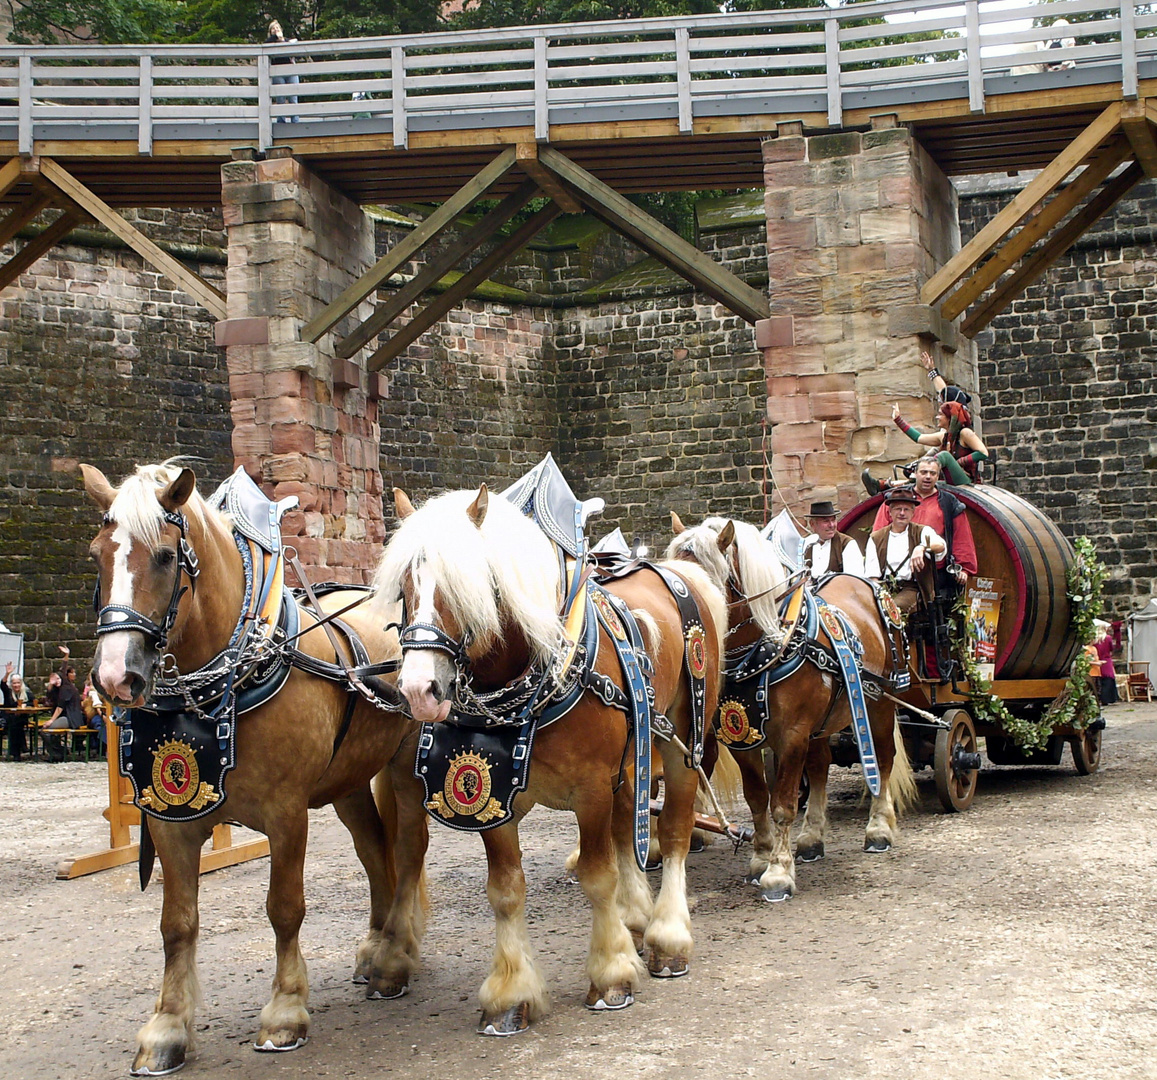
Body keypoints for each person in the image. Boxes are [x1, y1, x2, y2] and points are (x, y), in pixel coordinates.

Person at [870, 457, 978, 585]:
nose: (928, 477)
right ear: (915, 474)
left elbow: (961, 537)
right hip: (897, 571)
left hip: (934, 571)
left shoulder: (949, 502)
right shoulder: (897, 499)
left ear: (938, 476)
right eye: (923, 472)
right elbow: (879, 535)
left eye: (933, 473)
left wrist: (964, 568)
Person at [864, 487, 946, 613]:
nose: (902, 513)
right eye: (898, 509)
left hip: (912, 588)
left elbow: (940, 546)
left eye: (906, 509)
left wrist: (922, 548)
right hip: (884, 588)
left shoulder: (922, 531)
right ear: (890, 512)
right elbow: (872, 577)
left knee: (893, 609)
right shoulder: (876, 538)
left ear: (913, 513)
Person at [890, 397, 989, 486]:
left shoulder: (965, 433)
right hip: (946, 478)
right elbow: (918, 438)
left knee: (944, 456)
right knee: (911, 467)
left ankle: (910, 481)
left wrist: (957, 463)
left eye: (941, 414)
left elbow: (983, 453)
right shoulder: (944, 436)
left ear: (950, 418)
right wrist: (898, 420)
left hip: (965, 479)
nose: (937, 417)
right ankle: (891, 484)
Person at [800, 500, 865, 578]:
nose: (831, 525)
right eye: (826, 521)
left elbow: (854, 580)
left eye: (833, 520)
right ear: (812, 524)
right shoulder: (806, 544)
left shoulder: (846, 544)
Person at [44, 646, 84, 762]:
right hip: (64, 716)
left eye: (57, 679)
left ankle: (59, 753)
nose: (56, 681)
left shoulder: (66, 688)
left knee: (48, 730)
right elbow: (49, 697)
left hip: (71, 717)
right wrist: (51, 685)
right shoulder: (57, 688)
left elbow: (60, 707)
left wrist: (51, 720)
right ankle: (59, 752)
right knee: (45, 731)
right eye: (54, 680)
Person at [267, 20, 299, 124]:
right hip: (277, 71)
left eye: (277, 28)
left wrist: (282, 40)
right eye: (273, 28)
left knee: (293, 98)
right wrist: (276, 38)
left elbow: (295, 44)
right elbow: (265, 45)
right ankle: (281, 121)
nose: (276, 30)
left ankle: (295, 121)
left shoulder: (287, 41)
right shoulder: (270, 42)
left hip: (290, 70)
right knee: (280, 98)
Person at [1, 661, 30, 761]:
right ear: (11, 684)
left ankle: (19, 750)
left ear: (21, 683)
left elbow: (33, 701)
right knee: (14, 725)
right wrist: (7, 673)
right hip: (8, 717)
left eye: (18, 683)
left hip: (21, 717)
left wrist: (25, 706)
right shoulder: (8, 692)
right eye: (14, 683)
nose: (16, 685)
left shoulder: (26, 692)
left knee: (18, 724)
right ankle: (18, 750)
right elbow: (3, 684)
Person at [1093, 619, 1119, 705]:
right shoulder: (1107, 638)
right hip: (1106, 660)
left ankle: (1100, 698)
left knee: (1099, 680)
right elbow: (1111, 648)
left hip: (1096, 659)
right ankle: (1107, 698)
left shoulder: (1094, 639)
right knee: (1108, 679)